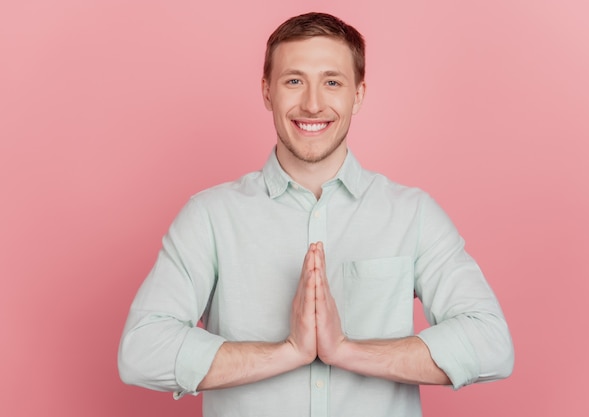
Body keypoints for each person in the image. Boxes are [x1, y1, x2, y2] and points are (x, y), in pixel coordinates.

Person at [118, 12, 514, 417]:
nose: (312, 103)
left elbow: (491, 344)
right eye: (294, 81)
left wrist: (345, 350)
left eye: (332, 82)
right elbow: (142, 350)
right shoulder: (210, 216)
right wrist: (287, 353)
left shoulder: (413, 214)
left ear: (357, 95)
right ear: (267, 92)